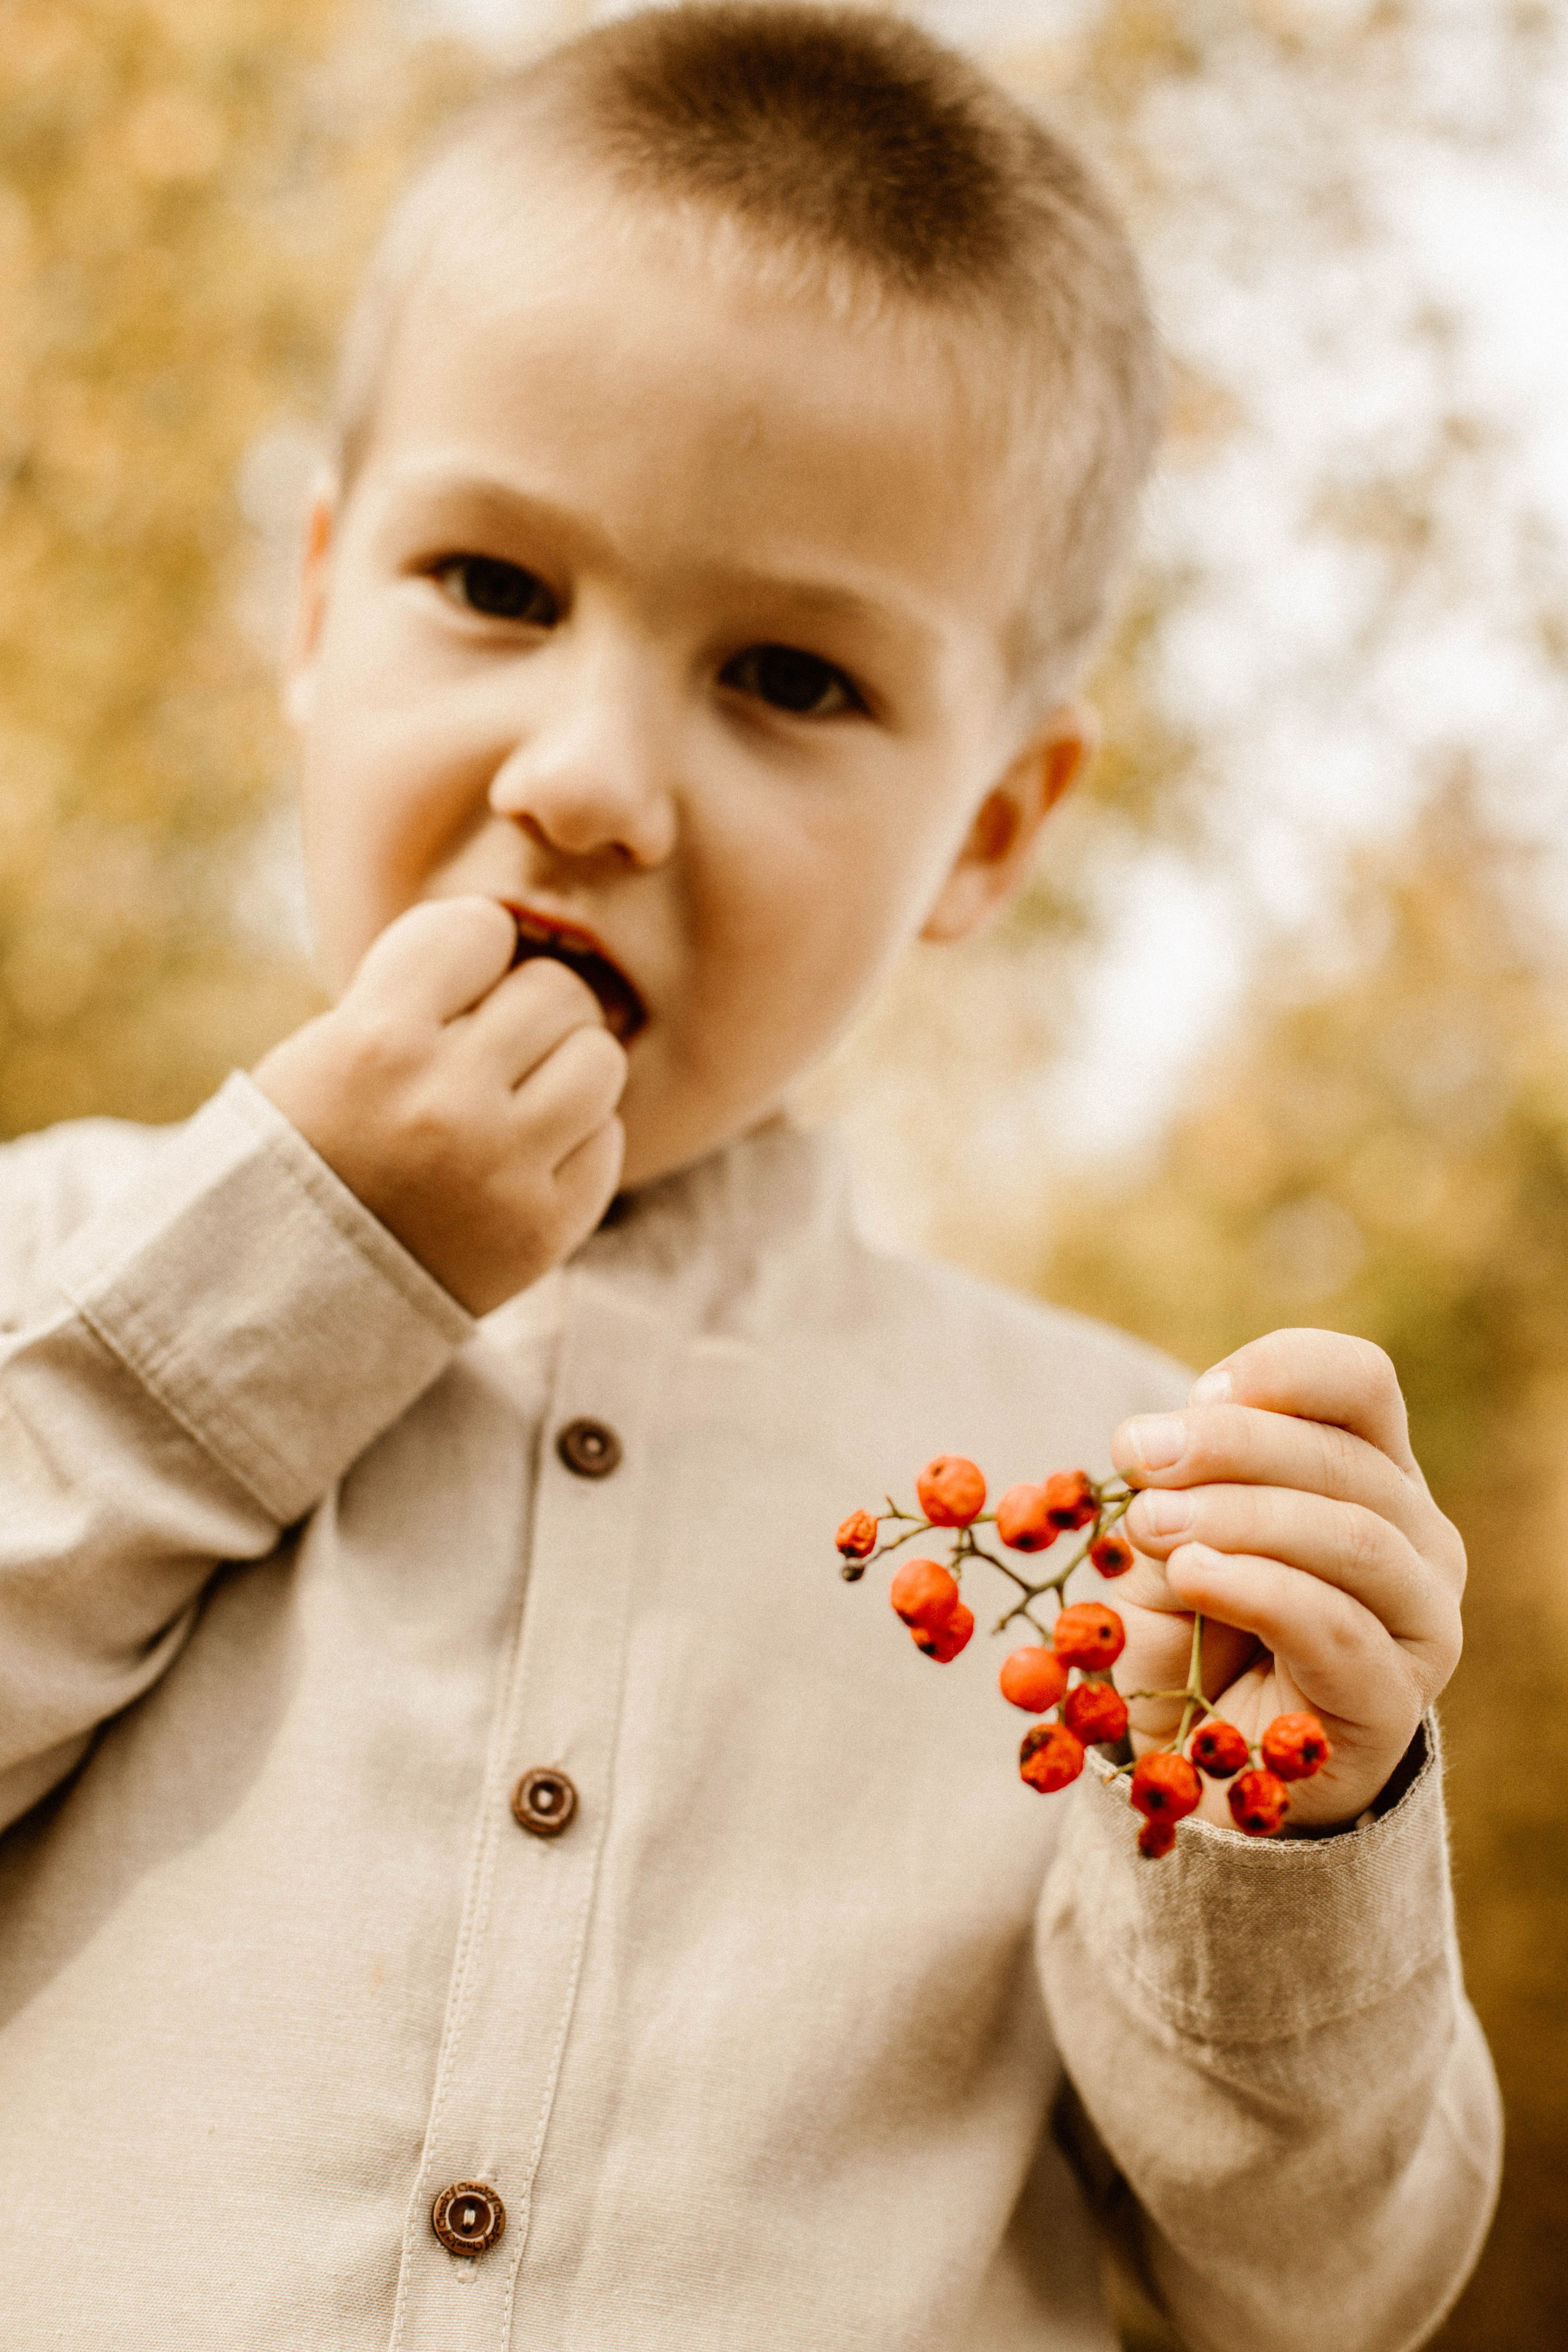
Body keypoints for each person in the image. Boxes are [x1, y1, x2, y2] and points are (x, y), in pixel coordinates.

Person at [0, 7, 1499, 2346]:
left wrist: (1287, 1829)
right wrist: (278, 1284)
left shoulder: (1105, 1523)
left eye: (790, 677)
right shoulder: (53, 1265)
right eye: (496, 587)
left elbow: (1321, 2290)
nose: (592, 777)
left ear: (988, 834)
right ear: (311, 610)